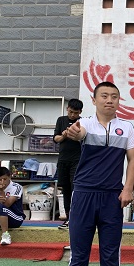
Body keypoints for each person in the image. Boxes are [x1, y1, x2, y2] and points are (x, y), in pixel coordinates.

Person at [63, 81, 134, 266]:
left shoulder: (126, 128)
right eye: (104, 96)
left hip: (112, 198)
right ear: (94, 100)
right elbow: (76, 133)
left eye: (114, 96)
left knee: (110, 252)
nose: (109, 100)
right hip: (83, 196)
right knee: (79, 253)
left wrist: (128, 189)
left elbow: (133, 160)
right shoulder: (84, 123)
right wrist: (73, 133)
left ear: (118, 101)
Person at [53, 98, 83, 230]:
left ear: (80, 112)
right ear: (67, 109)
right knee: (65, 189)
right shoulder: (61, 120)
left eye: (75, 113)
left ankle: (77, 218)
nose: (72, 115)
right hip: (63, 160)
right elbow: (56, 138)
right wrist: (64, 135)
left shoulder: (83, 122)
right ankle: (68, 219)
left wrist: (75, 134)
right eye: (70, 112)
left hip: (77, 160)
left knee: (75, 188)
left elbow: (84, 139)